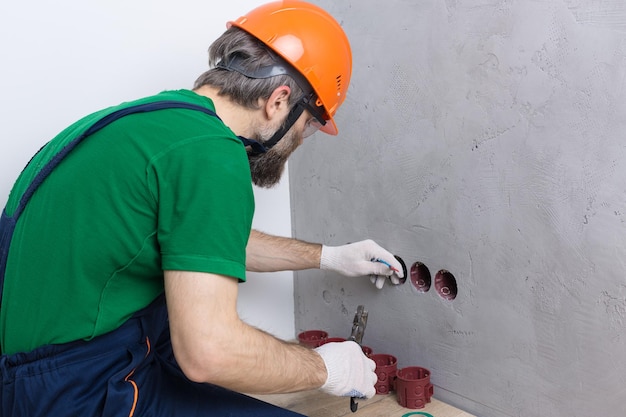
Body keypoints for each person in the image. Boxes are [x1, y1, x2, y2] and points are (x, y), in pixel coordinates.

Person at [0, 1, 404, 416]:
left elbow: (200, 238)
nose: (301, 140)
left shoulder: (148, 124)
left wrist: (329, 257)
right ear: (279, 102)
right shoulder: (211, 153)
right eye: (310, 125)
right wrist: (324, 368)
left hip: (30, 379)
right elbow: (209, 352)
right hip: (79, 391)